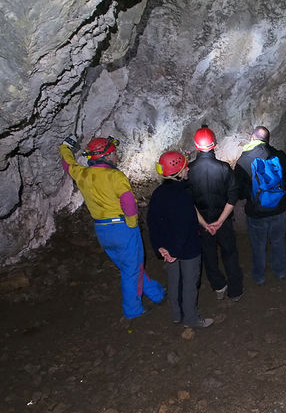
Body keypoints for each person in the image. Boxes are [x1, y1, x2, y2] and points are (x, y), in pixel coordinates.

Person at [59, 136, 164, 319]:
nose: (116, 156)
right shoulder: (115, 176)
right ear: (107, 156)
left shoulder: (82, 174)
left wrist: (65, 147)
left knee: (130, 267)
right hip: (122, 228)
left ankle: (156, 293)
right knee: (131, 270)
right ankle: (133, 310)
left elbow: (68, 164)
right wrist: (132, 225)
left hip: (102, 230)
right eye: (113, 153)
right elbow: (129, 203)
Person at [147, 151, 213, 328]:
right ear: (178, 171)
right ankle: (191, 319)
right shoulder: (183, 195)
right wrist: (175, 252)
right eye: (185, 166)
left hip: (168, 249)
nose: (188, 168)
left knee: (174, 281)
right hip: (186, 249)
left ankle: (177, 315)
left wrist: (160, 248)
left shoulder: (158, 193)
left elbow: (152, 222)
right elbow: (184, 228)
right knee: (190, 283)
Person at [188, 127, 244, 301]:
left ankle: (218, 285)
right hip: (223, 220)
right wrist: (220, 221)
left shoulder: (189, 170)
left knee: (208, 255)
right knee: (230, 253)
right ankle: (235, 290)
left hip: (201, 221)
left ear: (197, 146)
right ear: (215, 144)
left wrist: (205, 223)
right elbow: (232, 197)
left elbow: (188, 201)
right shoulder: (224, 168)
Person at [234, 126, 286, 285]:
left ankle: (260, 276)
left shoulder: (244, 160)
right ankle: (280, 271)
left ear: (252, 138)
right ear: (268, 139)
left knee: (258, 245)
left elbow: (238, 191)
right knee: (278, 241)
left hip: (256, 212)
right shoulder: (280, 156)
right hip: (278, 208)